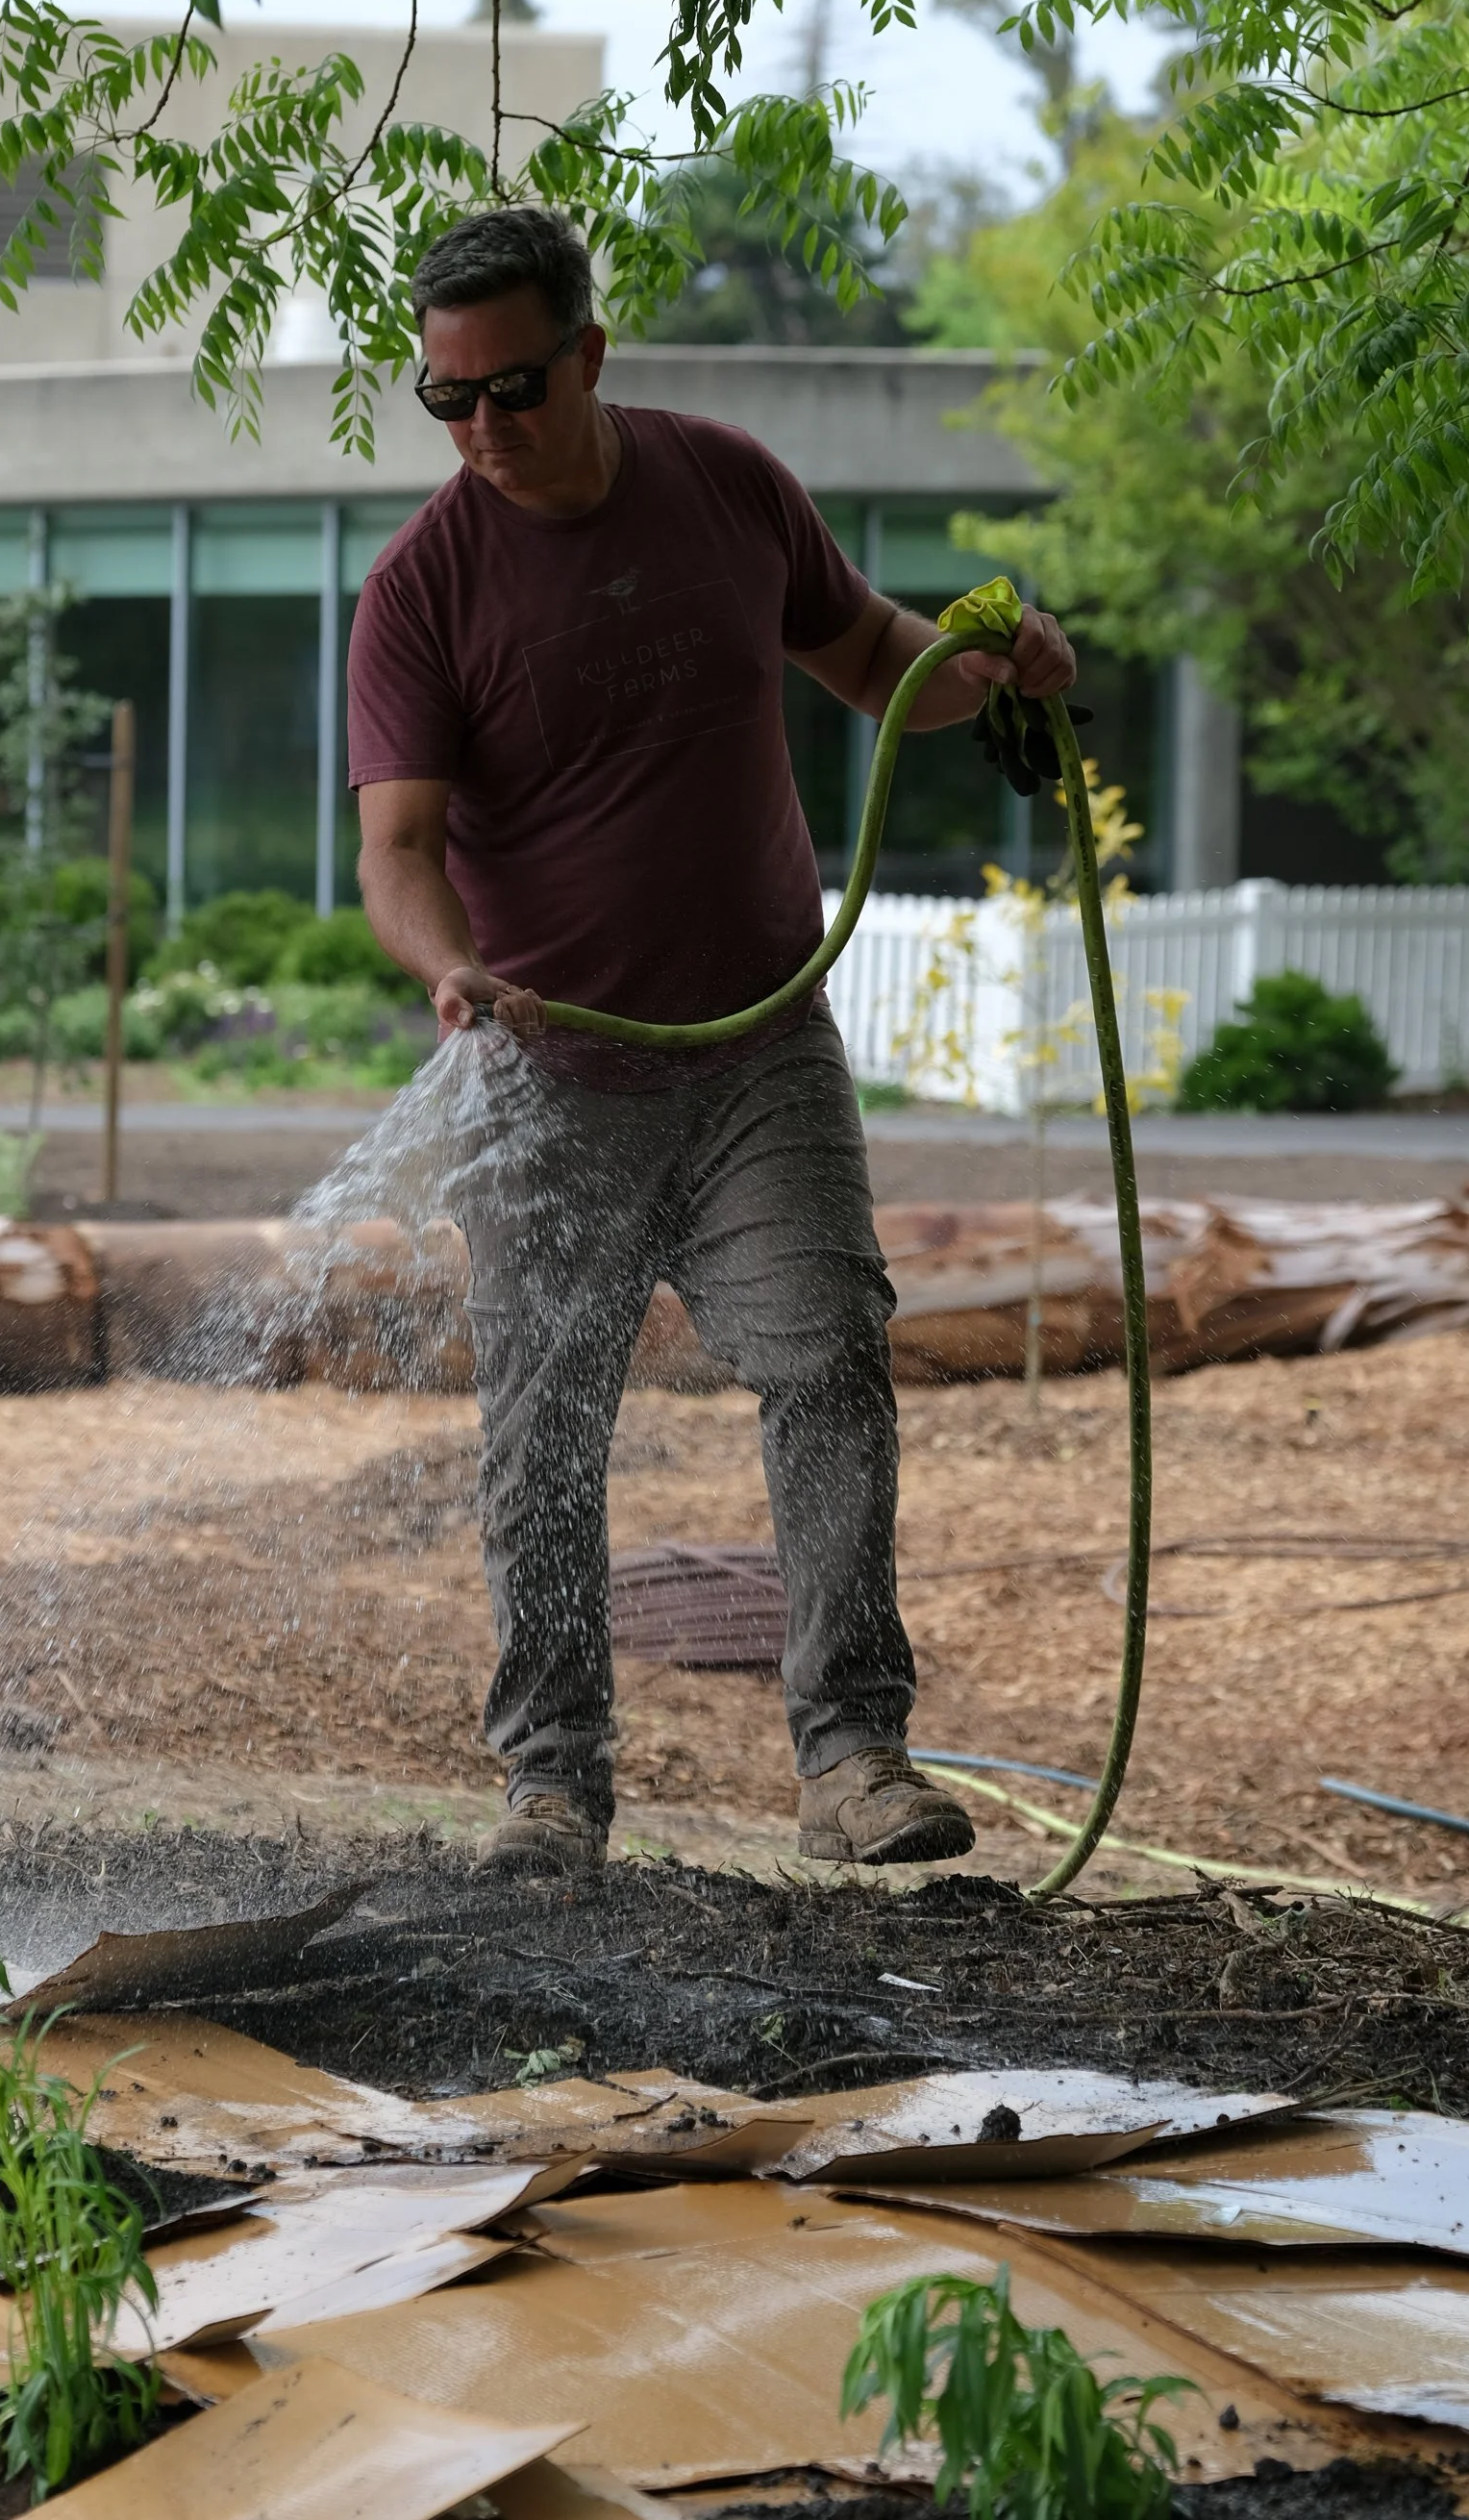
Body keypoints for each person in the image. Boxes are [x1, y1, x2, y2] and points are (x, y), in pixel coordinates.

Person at [347, 207, 1078, 1880]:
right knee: (543, 1431)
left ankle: (855, 1761)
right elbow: (397, 851)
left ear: (591, 355)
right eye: (447, 397)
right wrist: (455, 972)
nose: (482, 427)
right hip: (544, 1074)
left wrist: (990, 663)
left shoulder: (729, 485)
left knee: (828, 1356)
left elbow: (878, 659)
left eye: (514, 388)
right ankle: (551, 1786)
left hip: (760, 1045)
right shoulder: (421, 587)